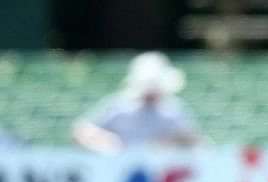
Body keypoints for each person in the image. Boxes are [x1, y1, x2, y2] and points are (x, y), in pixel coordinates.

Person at [72, 51, 201, 153]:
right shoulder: (119, 105)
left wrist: (172, 142)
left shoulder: (174, 109)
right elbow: (82, 131)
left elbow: (193, 141)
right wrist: (106, 142)